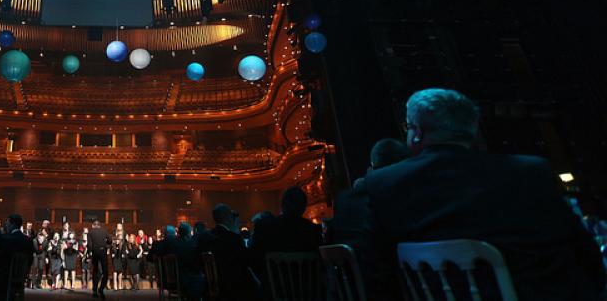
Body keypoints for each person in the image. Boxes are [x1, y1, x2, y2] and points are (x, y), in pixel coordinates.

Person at [365, 88, 607, 301]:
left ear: (416, 132)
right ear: (471, 129)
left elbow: (380, 272)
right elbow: (585, 252)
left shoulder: (385, 183)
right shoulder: (530, 171)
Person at [325, 138, 410, 270]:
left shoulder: (344, 200)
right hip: (393, 280)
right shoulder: (392, 194)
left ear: (372, 165)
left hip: (353, 282)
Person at [250, 188, 322, 299]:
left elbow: (254, 261)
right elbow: (321, 264)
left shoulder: (264, 227)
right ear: (303, 208)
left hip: (274, 293)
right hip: (309, 293)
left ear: (282, 205)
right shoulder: (314, 230)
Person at [196, 204, 258, 300]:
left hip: (209, 290)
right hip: (232, 290)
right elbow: (248, 261)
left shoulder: (204, 237)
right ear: (227, 217)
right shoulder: (234, 238)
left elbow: (195, 262)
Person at [0, 214, 33, 299]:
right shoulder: (28, 241)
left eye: (7, 222)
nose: (6, 224)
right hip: (21, 276)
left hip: (5, 277)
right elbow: (30, 259)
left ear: (12, 224)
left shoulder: (6, 239)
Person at [88, 218, 110, 298]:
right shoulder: (104, 231)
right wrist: (105, 243)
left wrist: (89, 253)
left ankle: (94, 290)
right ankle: (101, 289)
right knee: (105, 272)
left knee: (95, 271)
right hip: (103, 252)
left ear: (93, 225)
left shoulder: (90, 232)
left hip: (95, 253)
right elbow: (110, 240)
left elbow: (89, 245)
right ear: (99, 226)